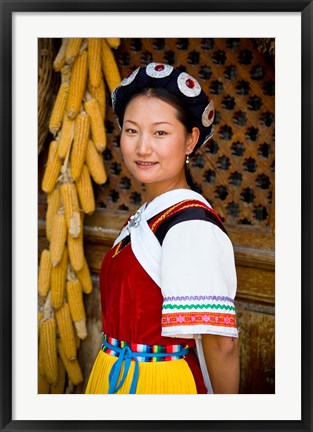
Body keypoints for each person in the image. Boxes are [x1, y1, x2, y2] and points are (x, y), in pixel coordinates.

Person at [85, 62, 240, 394]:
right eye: (131, 130)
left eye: (160, 132)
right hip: (117, 373)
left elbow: (221, 345)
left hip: (159, 384)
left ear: (190, 140)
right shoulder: (147, 215)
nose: (143, 147)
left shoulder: (191, 227)